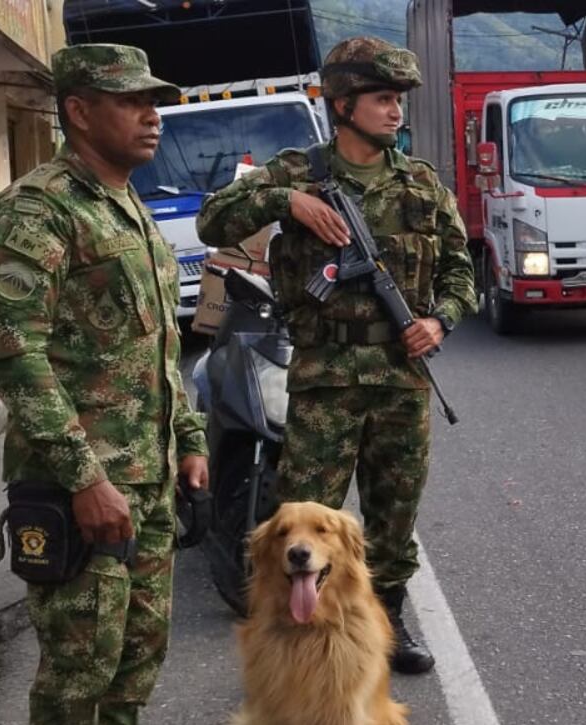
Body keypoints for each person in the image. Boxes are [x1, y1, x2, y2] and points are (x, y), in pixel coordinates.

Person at [0, 43, 209, 725]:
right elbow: (15, 354)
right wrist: (83, 474)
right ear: (78, 110)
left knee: (137, 651)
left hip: (146, 480)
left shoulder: (128, 208)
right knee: (79, 664)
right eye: (131, 101)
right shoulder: (38, 210)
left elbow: (162, 345)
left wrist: (188, 434)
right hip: (83, 491)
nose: (152, 114)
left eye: (155, 100)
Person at [198, 36, 478, 675]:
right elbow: (213, 220)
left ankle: (387, 621)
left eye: (399, 100)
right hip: (324, 378)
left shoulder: (421, 183)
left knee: (393, 514)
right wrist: (284, 201)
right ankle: (297, 636)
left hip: (401, 378)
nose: (396, 112)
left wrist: (440, 321)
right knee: (303, 522)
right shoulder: (298, 172)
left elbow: (463, 274)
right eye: (383, 99)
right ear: (344, 104)